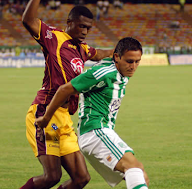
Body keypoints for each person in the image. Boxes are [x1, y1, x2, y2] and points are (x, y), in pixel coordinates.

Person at [20, 1, 114, 188]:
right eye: (81, 26)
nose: (85, 31)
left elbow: (98, 54)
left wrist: (119, 52)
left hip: (64, 119)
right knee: (52, 176)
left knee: (81, 178)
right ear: (69, 22)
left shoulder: (82, 48)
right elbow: (28, 20)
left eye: (88, 28)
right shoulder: (53, 37)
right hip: (45, 112)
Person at [35, 37, 150, 189]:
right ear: (117, 57)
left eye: (137, 61)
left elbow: (104, 56)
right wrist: (46, 118)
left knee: (139, 172)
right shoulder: (103, 73)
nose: (133, 66)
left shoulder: (119, 70)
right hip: (95, 132)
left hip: (101, 132)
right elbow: (64, 89)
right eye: (129, 61)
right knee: (133, 168)